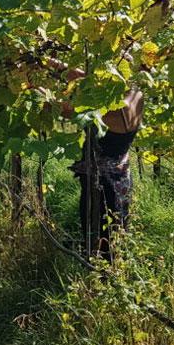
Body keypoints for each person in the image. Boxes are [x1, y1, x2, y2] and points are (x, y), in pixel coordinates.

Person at [48, 57, 143, 257]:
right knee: (103, 231)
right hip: (106, 177)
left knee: (106, 235)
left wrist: (40, 94)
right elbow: (80, 77)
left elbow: (68, 110)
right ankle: (102, 270)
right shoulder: (124, 94)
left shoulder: (125, 105)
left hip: (107, 183)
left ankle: (104, 277)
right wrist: (47, 62)